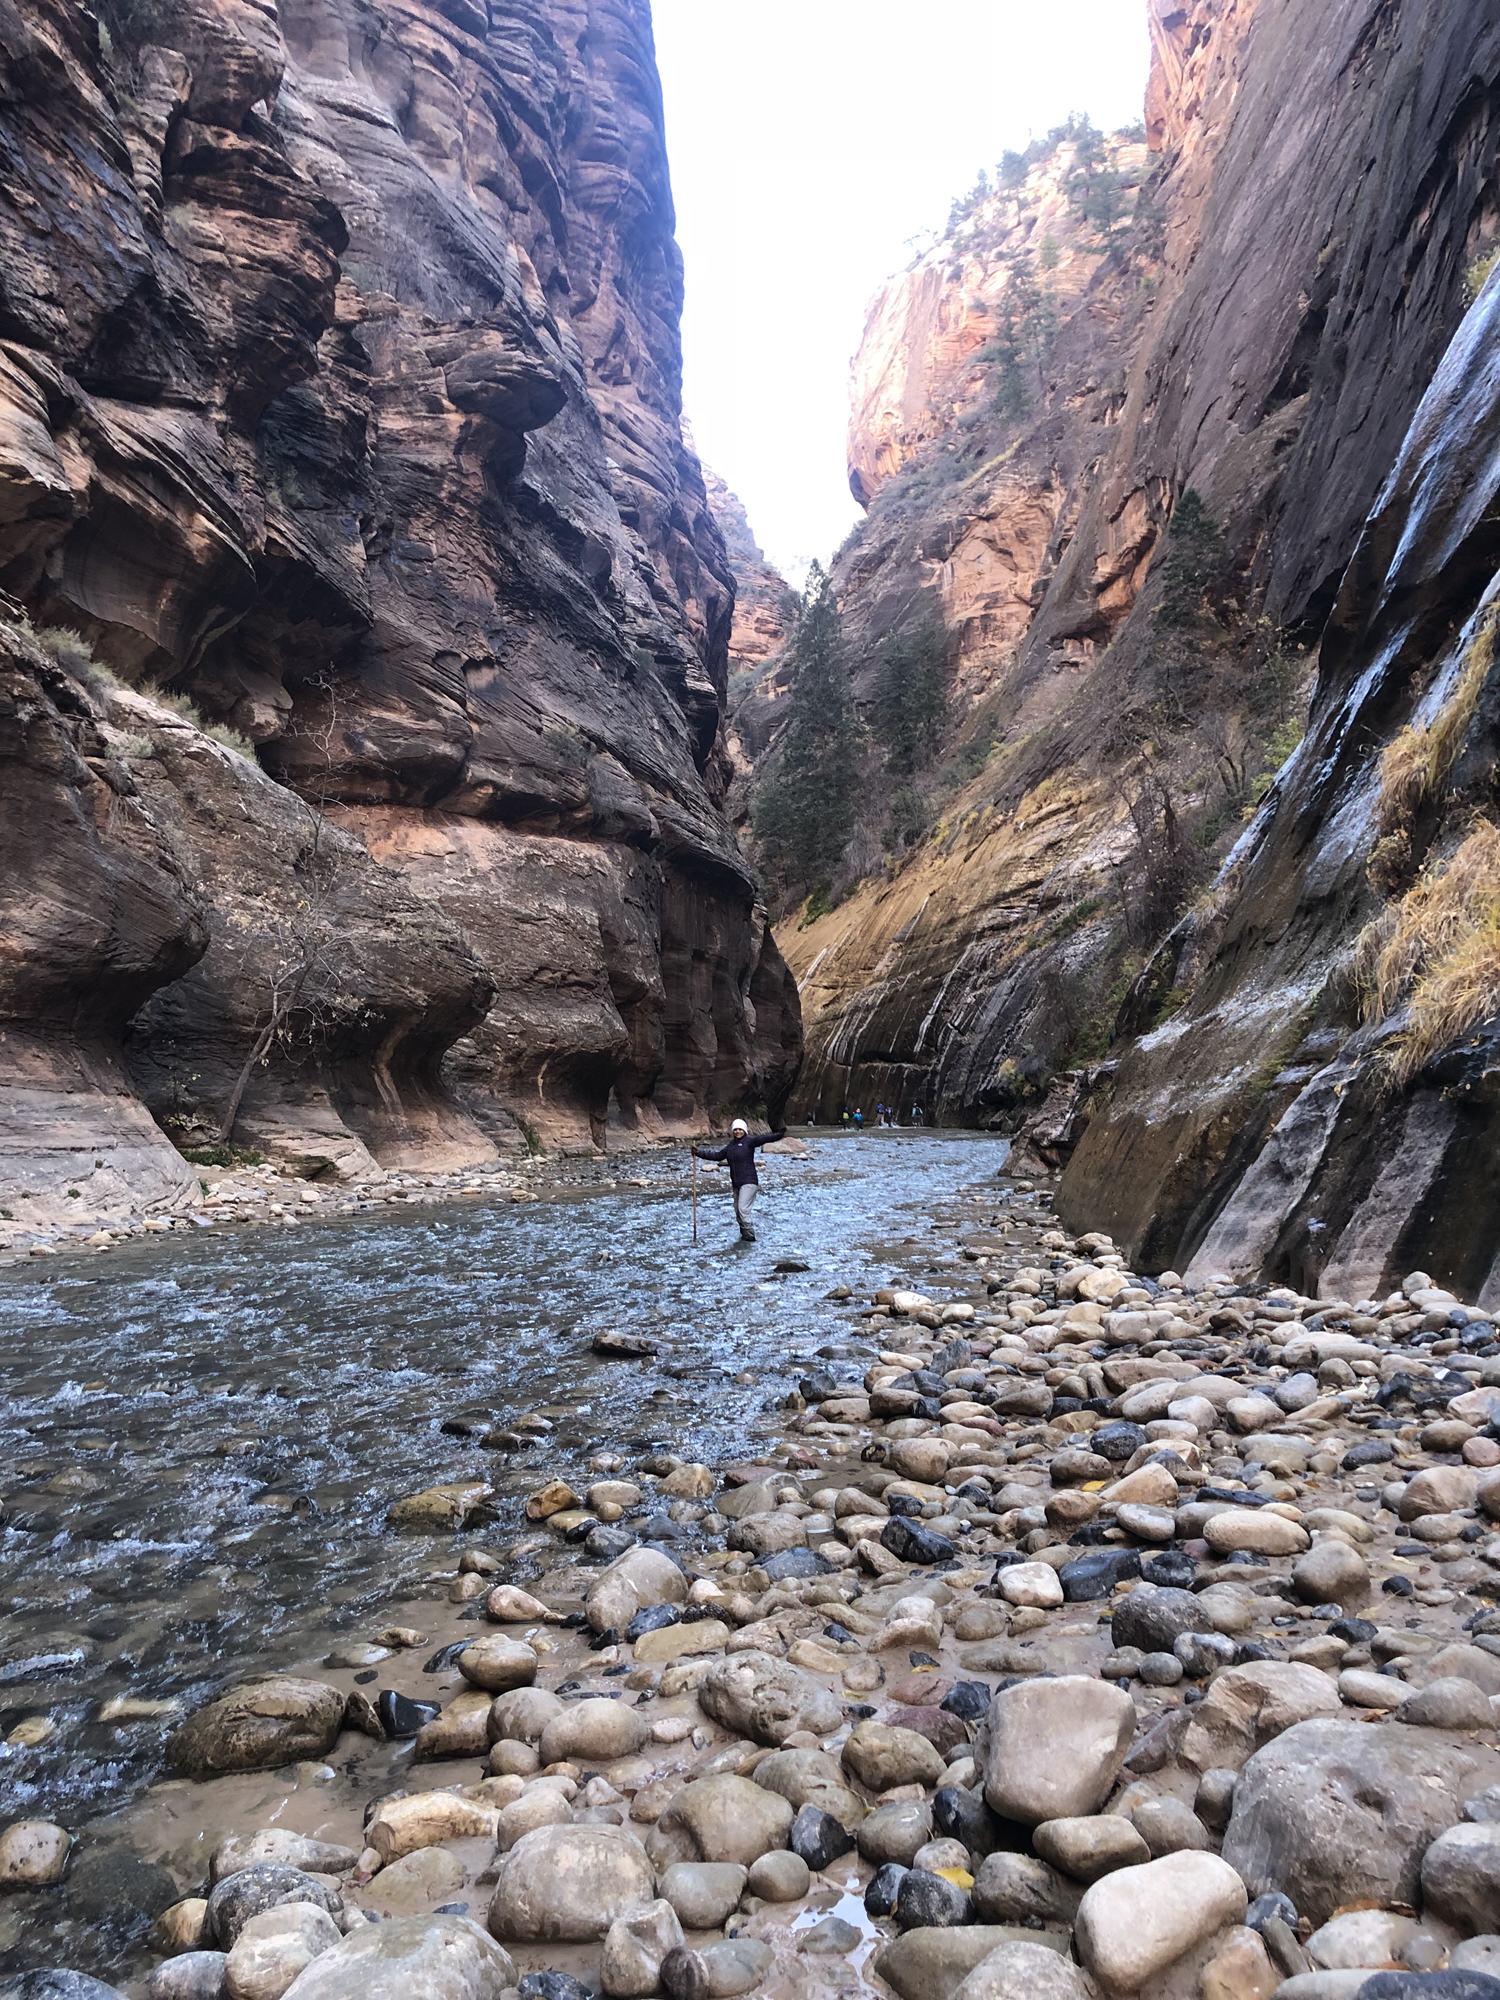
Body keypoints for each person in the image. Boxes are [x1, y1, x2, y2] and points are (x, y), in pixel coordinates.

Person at [693, 1116, 786, 1242]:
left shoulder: (749, 1142)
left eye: (740, 1129)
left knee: (743, 1208)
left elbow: (763, 1138)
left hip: (749, 1182)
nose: (738, 1132)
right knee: (738, 1212)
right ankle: (744, 1237)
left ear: (745, 1130)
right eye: (735, 1129)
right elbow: (717, 1155)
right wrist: (698, 1153)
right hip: (737, 1184)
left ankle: (750, 1237)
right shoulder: (730, 1147)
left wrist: (779, 1135)